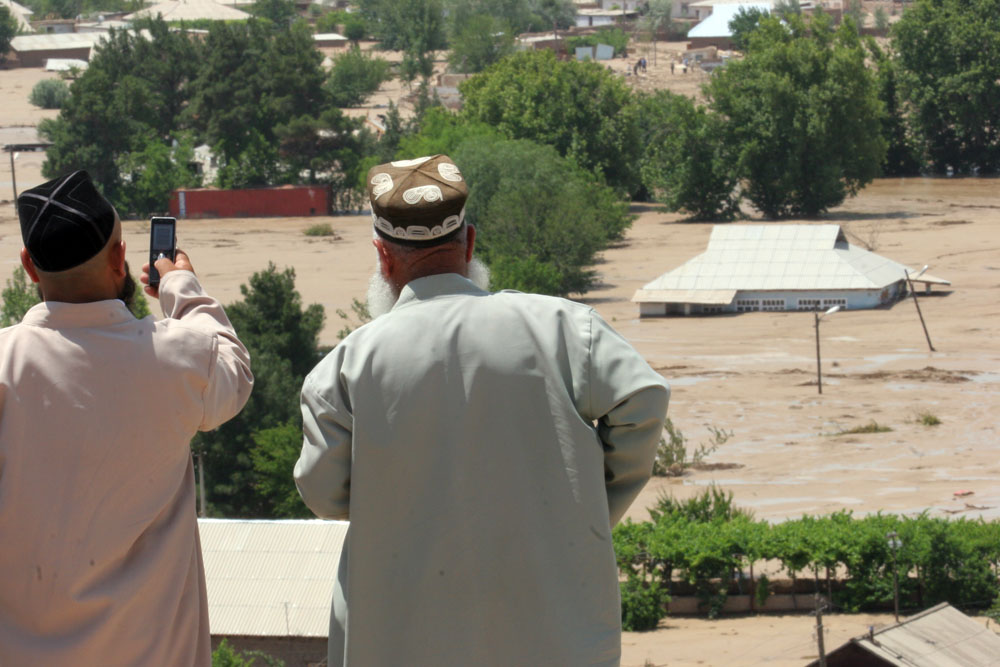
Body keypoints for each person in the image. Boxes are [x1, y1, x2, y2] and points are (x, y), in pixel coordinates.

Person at [295, 155, 669, 666]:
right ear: (470, 243)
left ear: (383, 257)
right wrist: (588, 506)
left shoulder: (345, 368)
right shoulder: (565, 329)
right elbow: (644, 399)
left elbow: (323, 493)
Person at [0, 170, 253, 665]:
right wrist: (181, 285)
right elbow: (234, 373)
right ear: (119, 257)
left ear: (30, 267)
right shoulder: (181, 358)